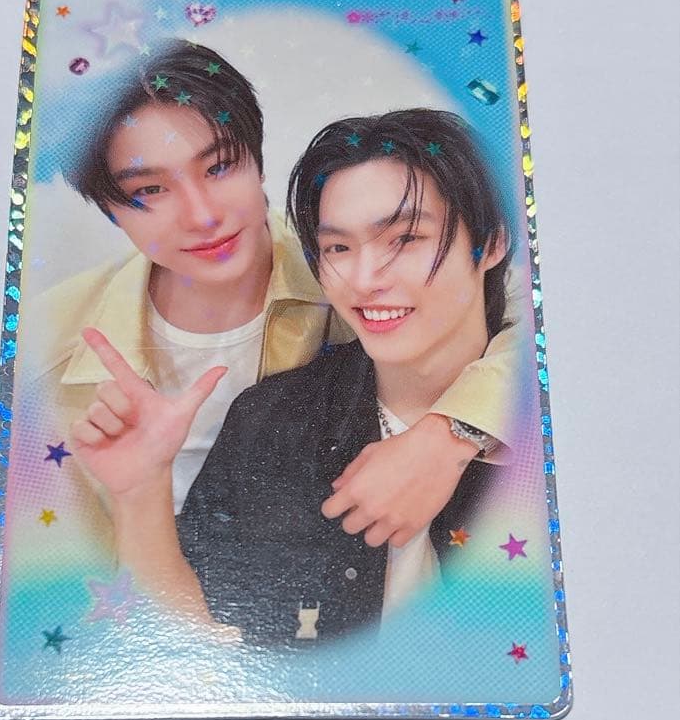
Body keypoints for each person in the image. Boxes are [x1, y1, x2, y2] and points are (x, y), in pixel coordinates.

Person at [16, 41, 520, 576]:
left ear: (257, 162)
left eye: (219, 167)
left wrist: (449, 434)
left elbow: (528, 329)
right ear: (112, 211)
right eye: (151, 189)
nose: (202, 215)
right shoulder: (44, 345)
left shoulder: (354, 279)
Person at [71, 108, 519, 644]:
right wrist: (141, 490)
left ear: (492, 243)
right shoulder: (269, 421)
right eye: (337, 248)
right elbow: (198, 638)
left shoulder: (557, 414)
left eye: (404, 239)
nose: (363, 280)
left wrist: (455, 432)